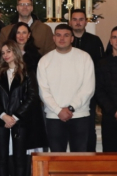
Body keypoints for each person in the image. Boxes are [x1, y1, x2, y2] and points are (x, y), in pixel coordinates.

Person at [0, 40, 47, 176]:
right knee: (2, 159)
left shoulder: (26, 73)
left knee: (19, 159)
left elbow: (32, 97)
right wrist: (3, 115)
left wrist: (15, 116)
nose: (6, 55)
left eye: (9, 51)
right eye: (3, 52)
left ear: (15, 52)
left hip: (20, 122)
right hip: (1, 122)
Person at [37, 24, 95, 152]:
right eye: (58, 35)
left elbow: (88, 88)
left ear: (72, 39)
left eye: (66, 35)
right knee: (57, 159)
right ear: (53, 38)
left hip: (79, 115)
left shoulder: (84, 57)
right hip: (54, 116)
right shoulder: (45, 61)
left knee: (79, 160)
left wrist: (70, 108)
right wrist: (58, 110)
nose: (62, 38)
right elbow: (43, 91)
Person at [69, 9, 104, 152]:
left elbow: (100, 67)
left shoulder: (94, 41)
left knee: (89, 128)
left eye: (81, 19)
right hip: (68, 92)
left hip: (89, 92)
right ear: (70, 22)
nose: (78, 22)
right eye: (75, 19)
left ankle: (90, 158)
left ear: (86, 21)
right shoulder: (65, 40)